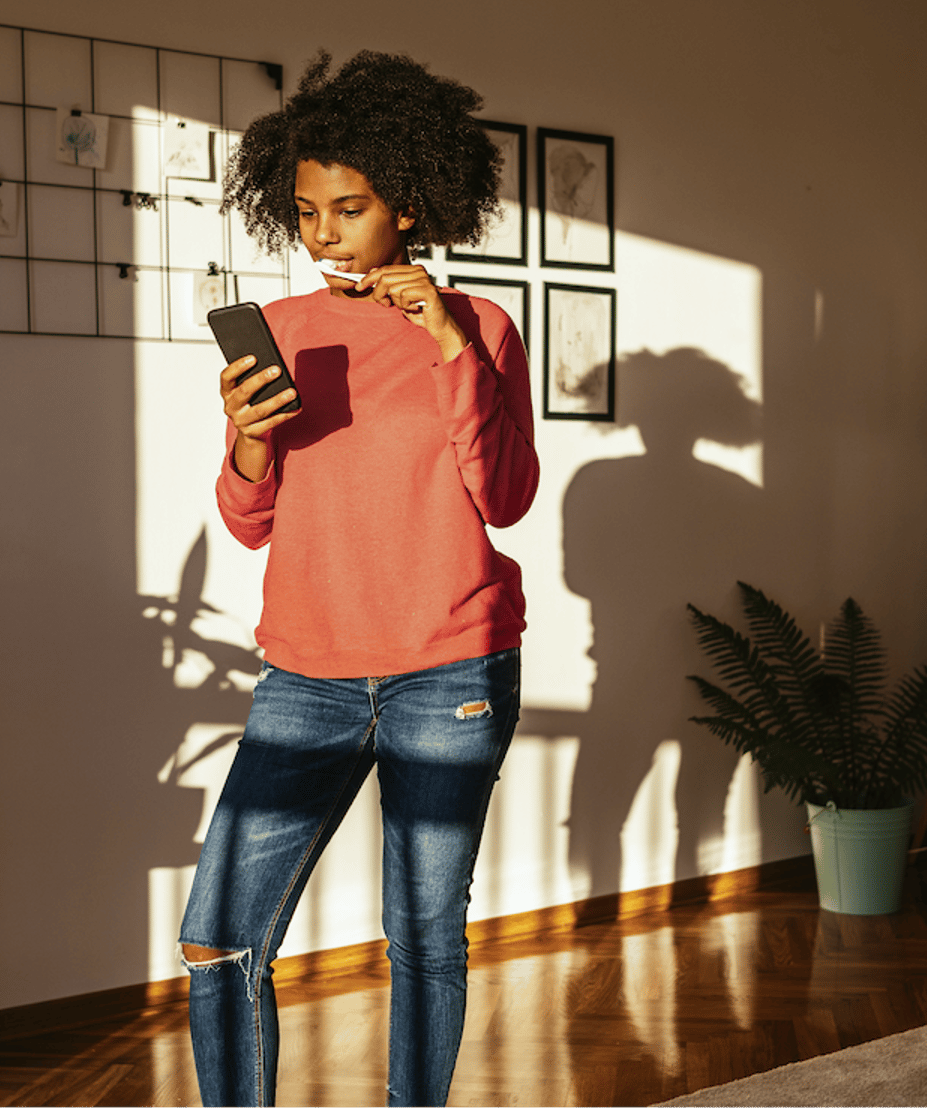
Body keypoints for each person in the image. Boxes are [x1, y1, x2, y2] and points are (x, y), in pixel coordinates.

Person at [177, 49, 539, 1108]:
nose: (323, 230)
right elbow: (250, 522)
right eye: (305, 209)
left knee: (424, 939)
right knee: (217, 938)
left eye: (348, 206)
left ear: (412, 204)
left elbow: (506, 494)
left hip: (452, 668)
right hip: (308, 675)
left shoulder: (483, 327)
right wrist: (247, 440)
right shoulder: (284, 332)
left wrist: (447, 344)